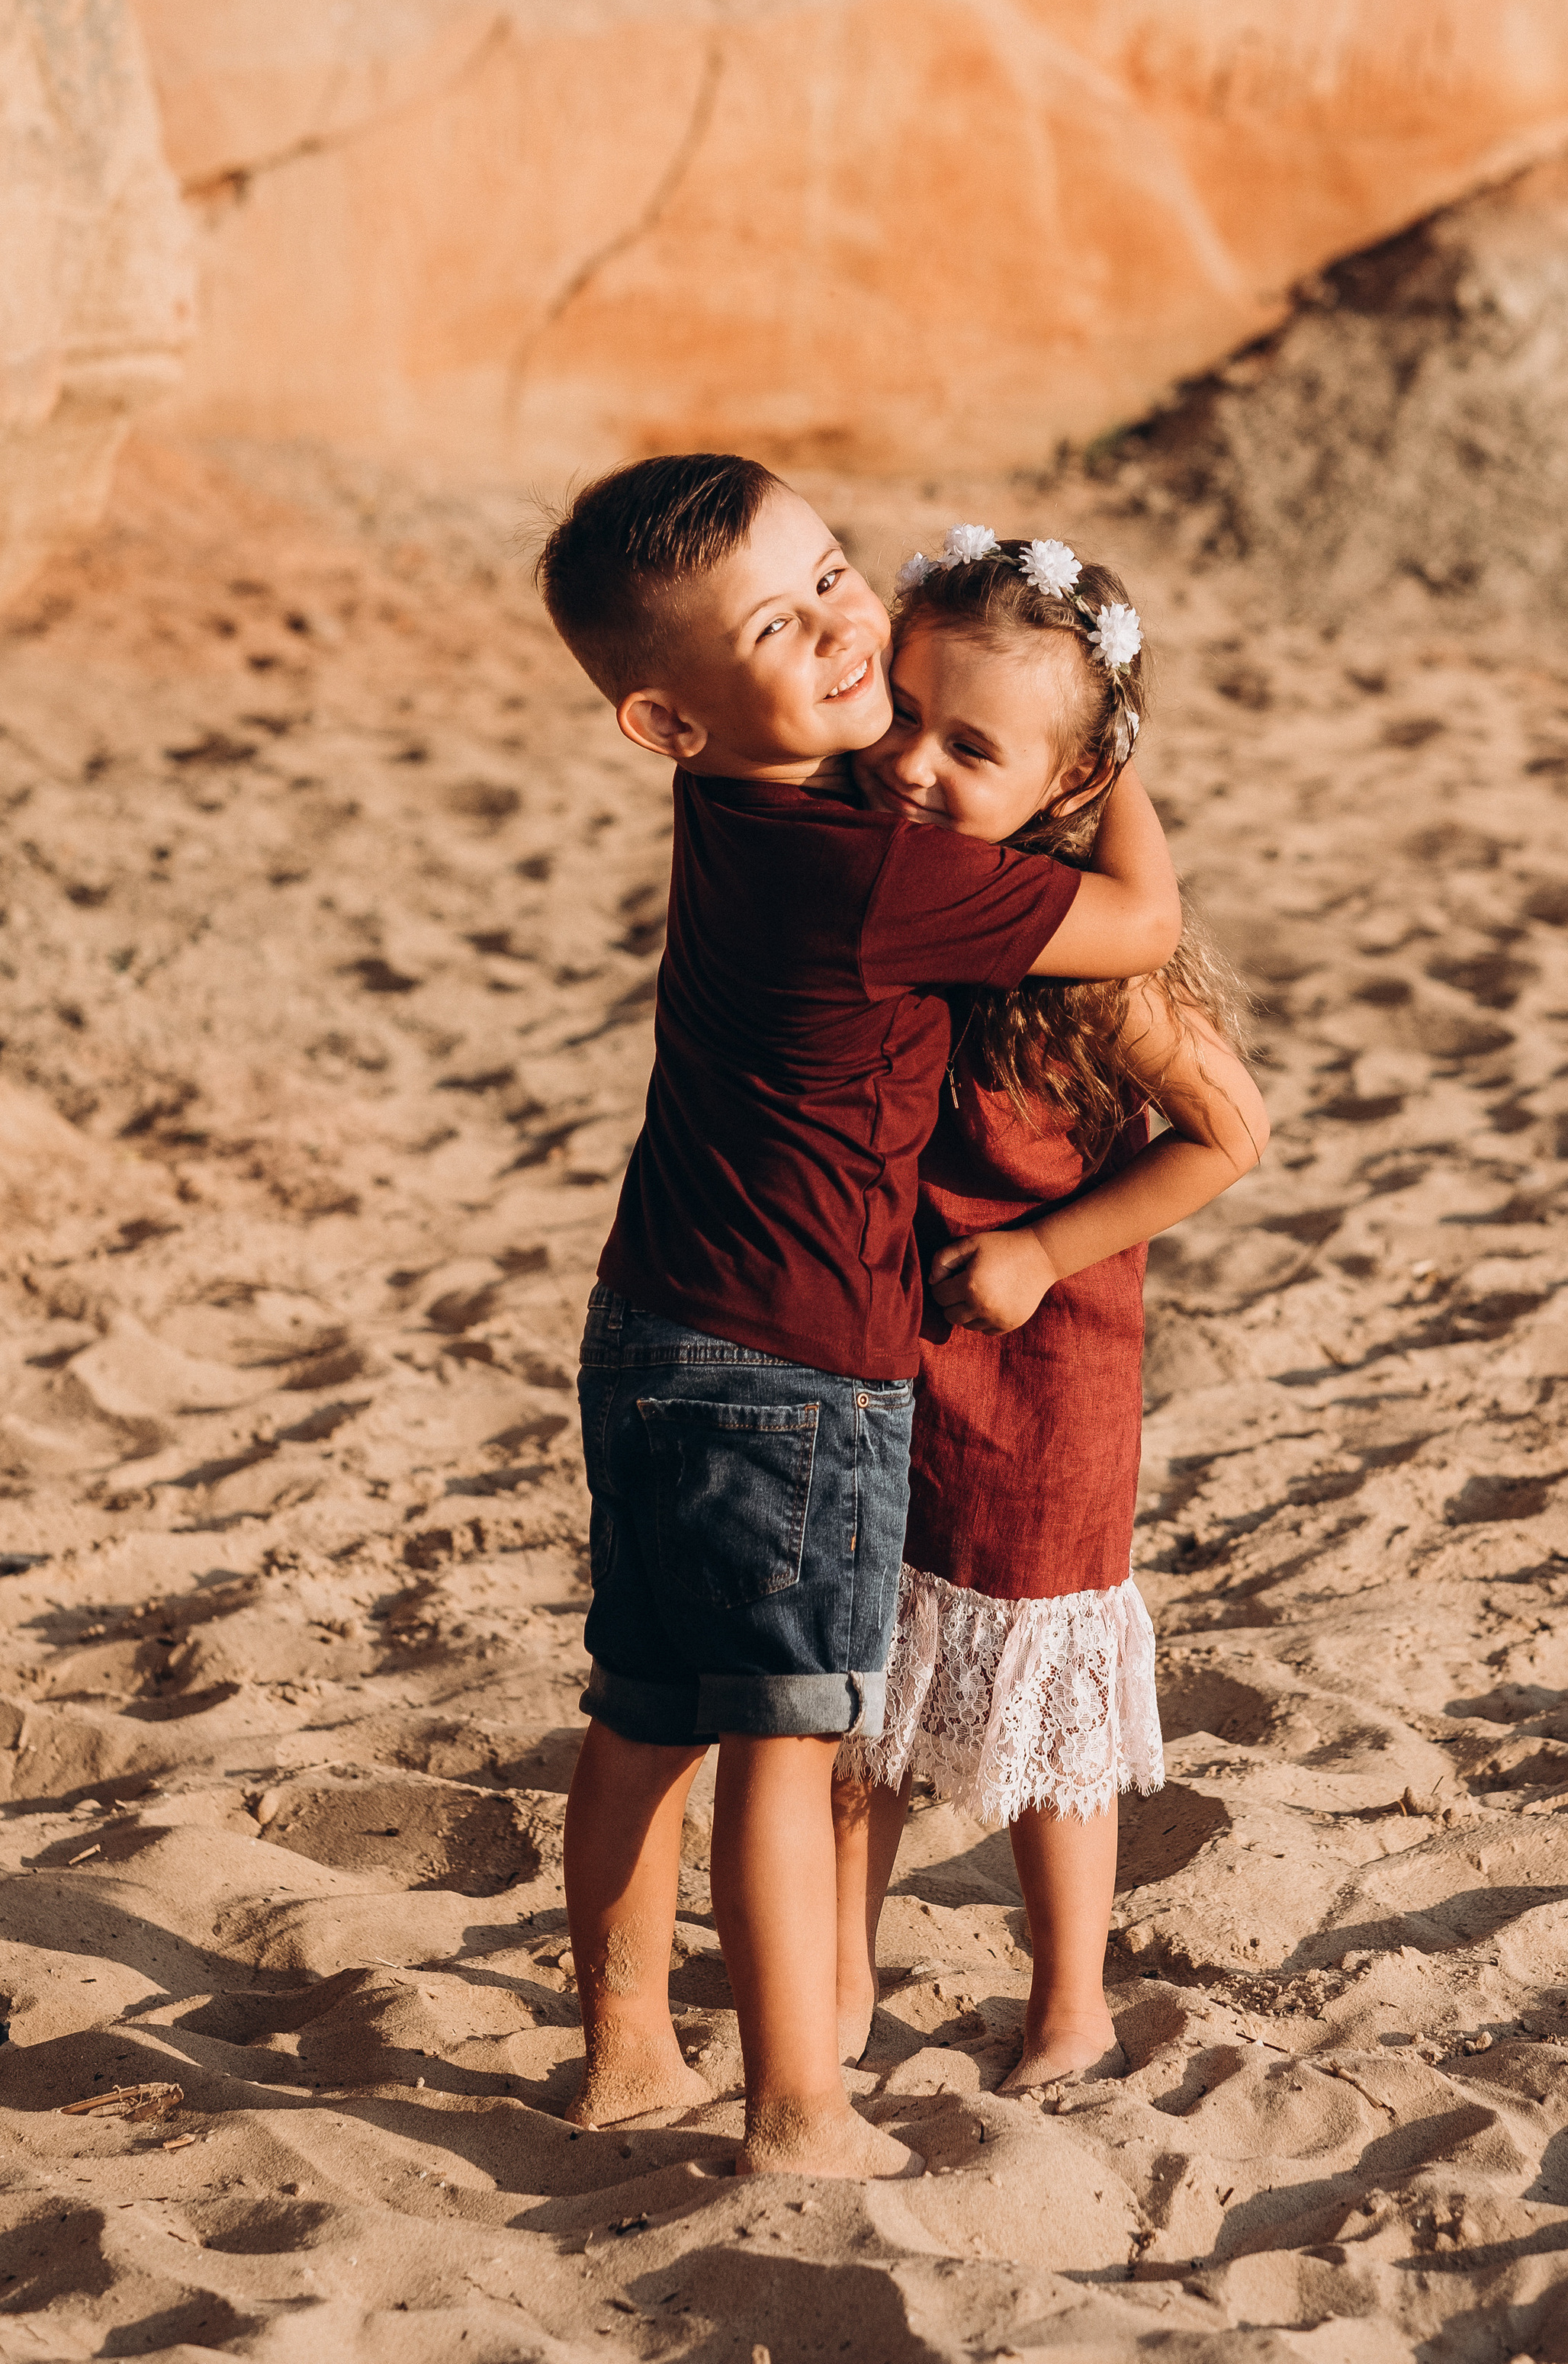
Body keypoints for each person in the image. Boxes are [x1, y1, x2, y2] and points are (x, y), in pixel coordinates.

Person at [533, 460, 1182, 2179]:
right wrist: (1103, 758)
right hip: (796, 1365)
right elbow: (1143, 924)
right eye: (778, 623)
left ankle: (625, 2057)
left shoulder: (734, 805)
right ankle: (800, 2108)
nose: (838, 631)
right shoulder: (872, 872)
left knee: (643, 1709)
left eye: (832, 575)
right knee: (785, 1730)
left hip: (645, 1327)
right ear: (668, 720)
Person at [831, 530, 1268, 2090]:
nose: (913, 766)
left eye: (972, 748)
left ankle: (1069, 2000)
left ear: (1072, 782)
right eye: (900, 715)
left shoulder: (1080, 949)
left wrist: (1043, 1247)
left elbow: (1230, 1132)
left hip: (1043, 1370)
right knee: (862, 1686)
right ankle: (839, 1980)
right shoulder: (865, 876)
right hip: (878, 1348)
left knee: (1047, 1696)